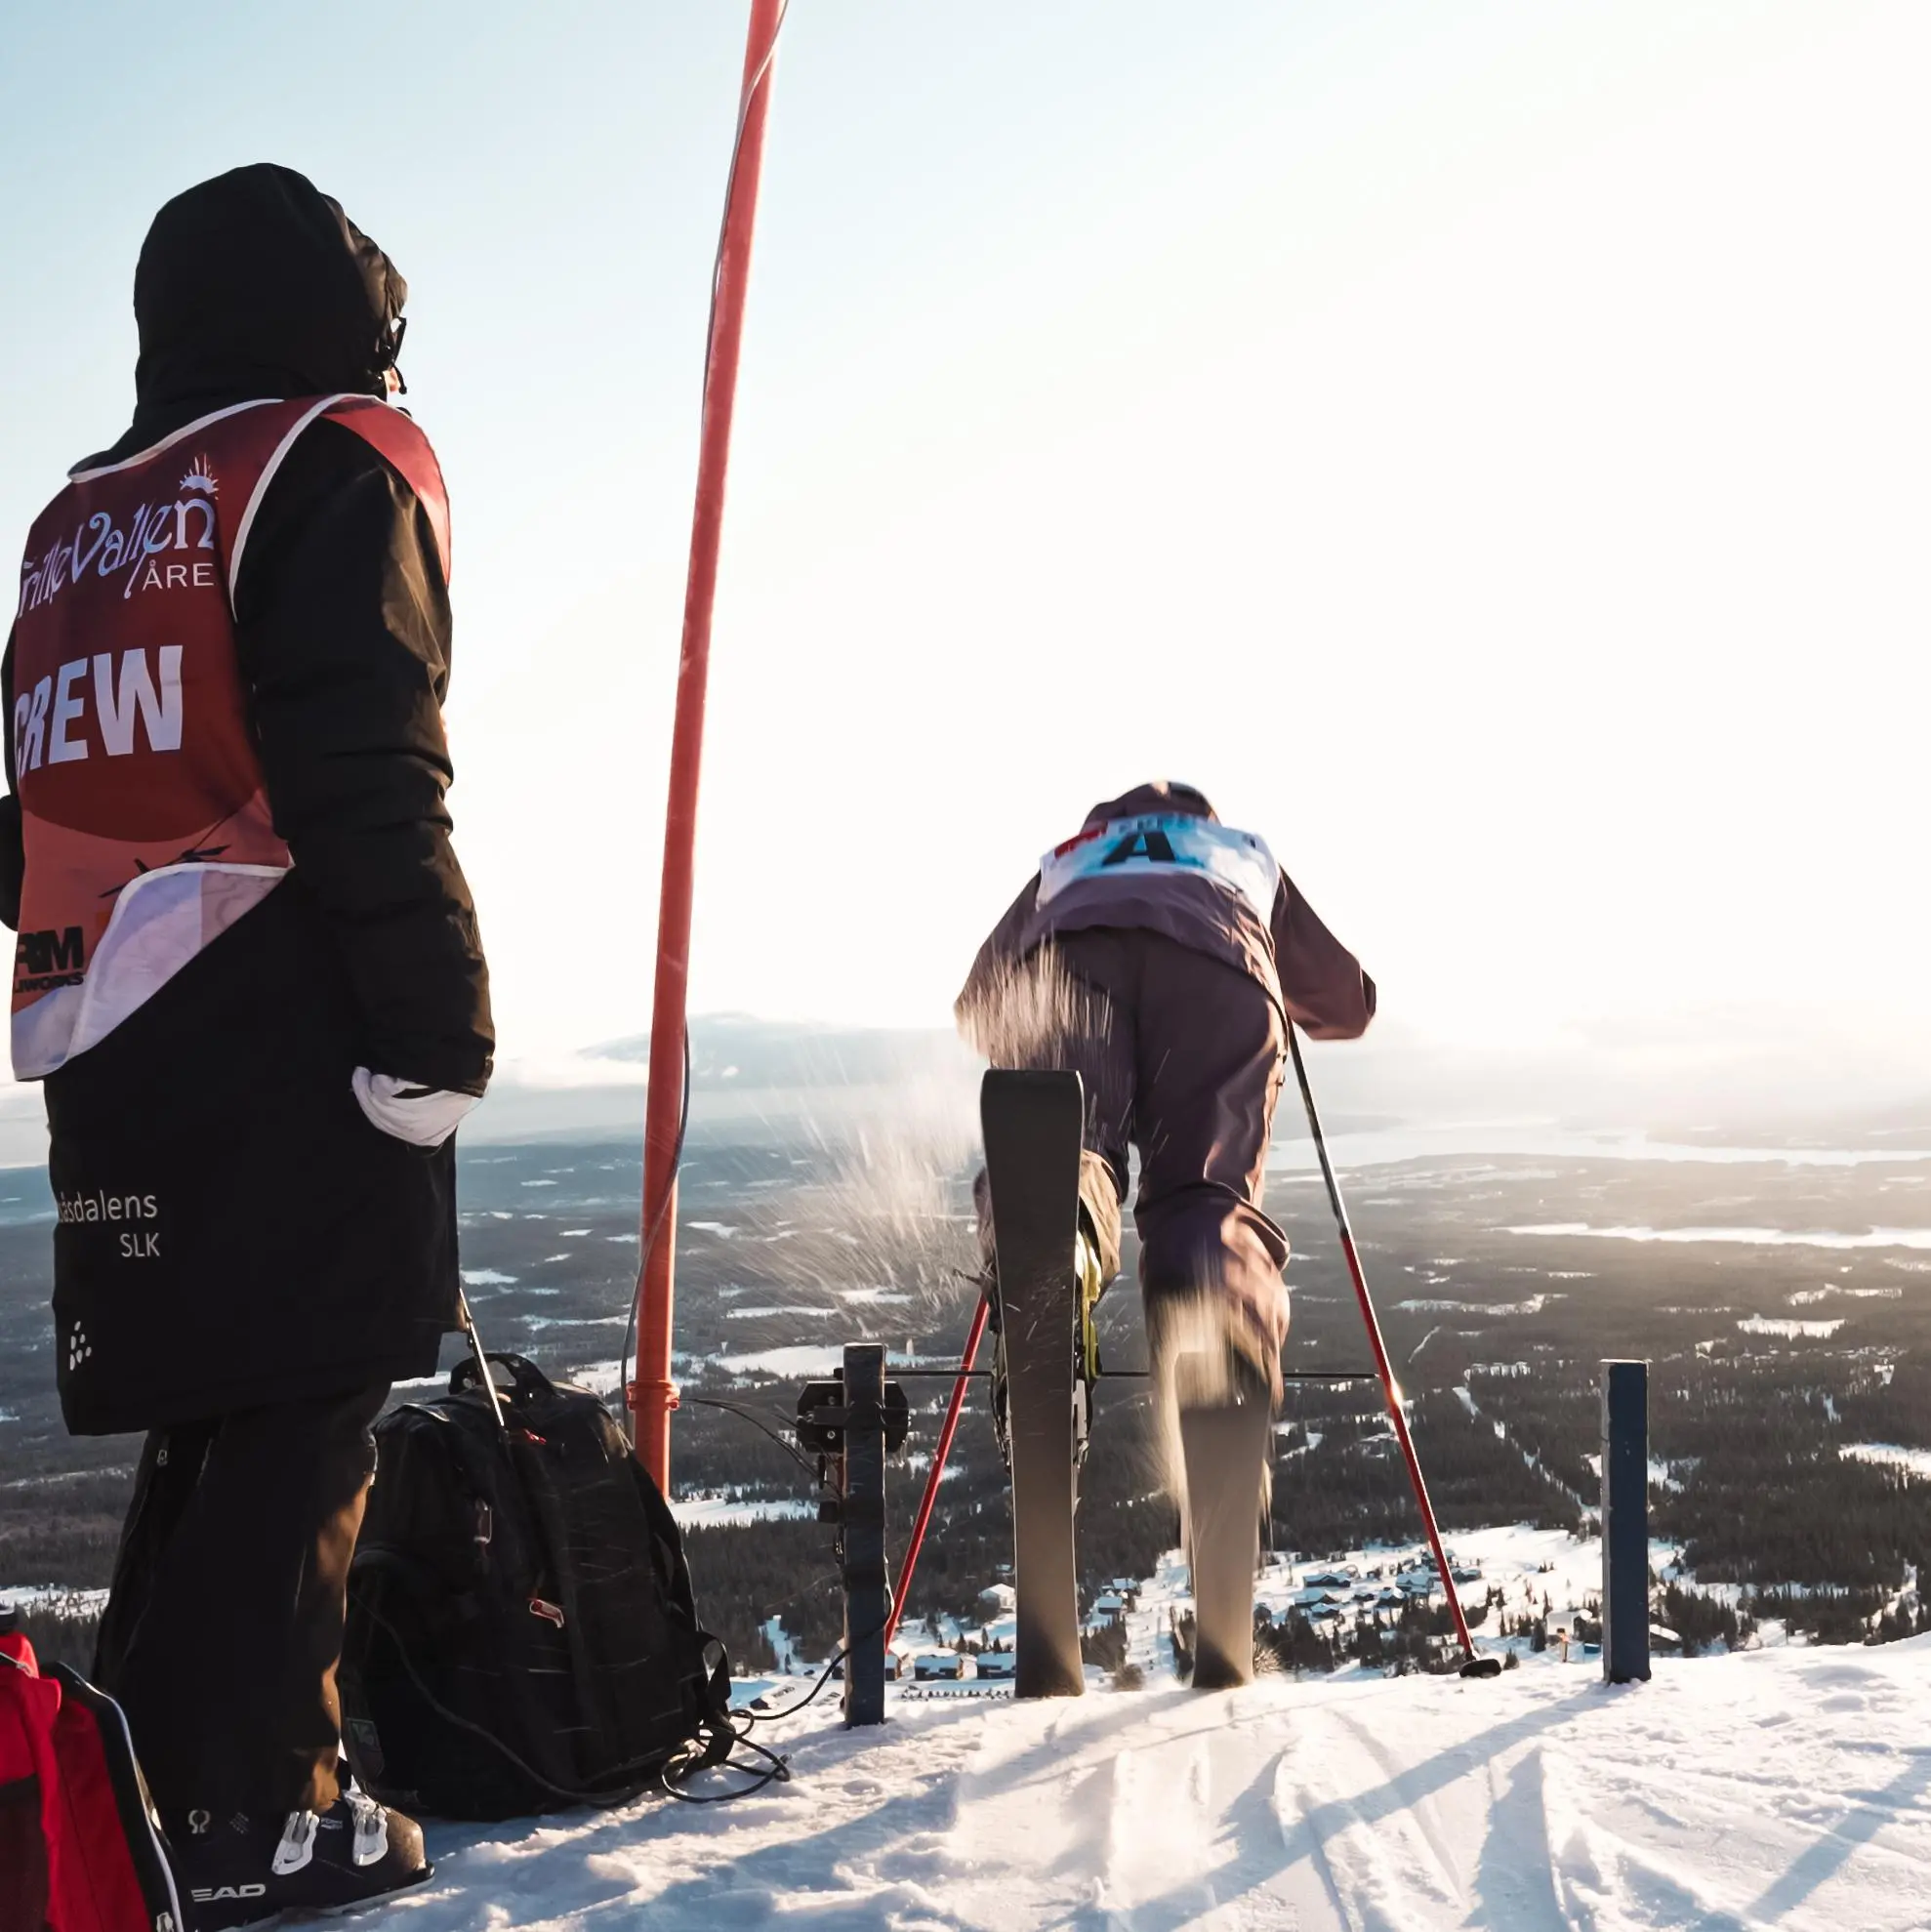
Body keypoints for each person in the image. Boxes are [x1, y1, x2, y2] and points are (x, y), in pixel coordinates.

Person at [0, 165, 492, 1924]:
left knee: (215, 1410)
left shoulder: (83, 522)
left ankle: (136, 1781)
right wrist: (438, 1019)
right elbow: (369, 758)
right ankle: (255, 1810)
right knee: (311, 1395)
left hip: (105, 1029)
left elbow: (43, 799)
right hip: (285, 995)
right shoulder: (325, 458)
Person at [958, 781, 1374, 1425]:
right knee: (1204, 1196)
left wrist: (1021, 1041)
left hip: (1065, 968)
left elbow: (979, 997)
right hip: (1219, 970)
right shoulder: (1241, 850)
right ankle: (1224, 1336)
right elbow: (1348, 1003)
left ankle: (1057, 1243)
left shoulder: (1071, 854)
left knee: (1067, 1153)